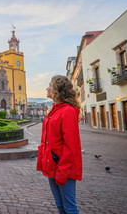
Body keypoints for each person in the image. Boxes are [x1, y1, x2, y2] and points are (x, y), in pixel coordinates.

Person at [37, 75, 82, 214]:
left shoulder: (67, 111)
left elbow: (71, 146)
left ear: (57, 90)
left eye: (50, 86)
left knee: (69, 207)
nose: (47, 88)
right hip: (52, 164)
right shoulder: (55, 109)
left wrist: (63, 171)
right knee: (60, 205)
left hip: (63, 167)